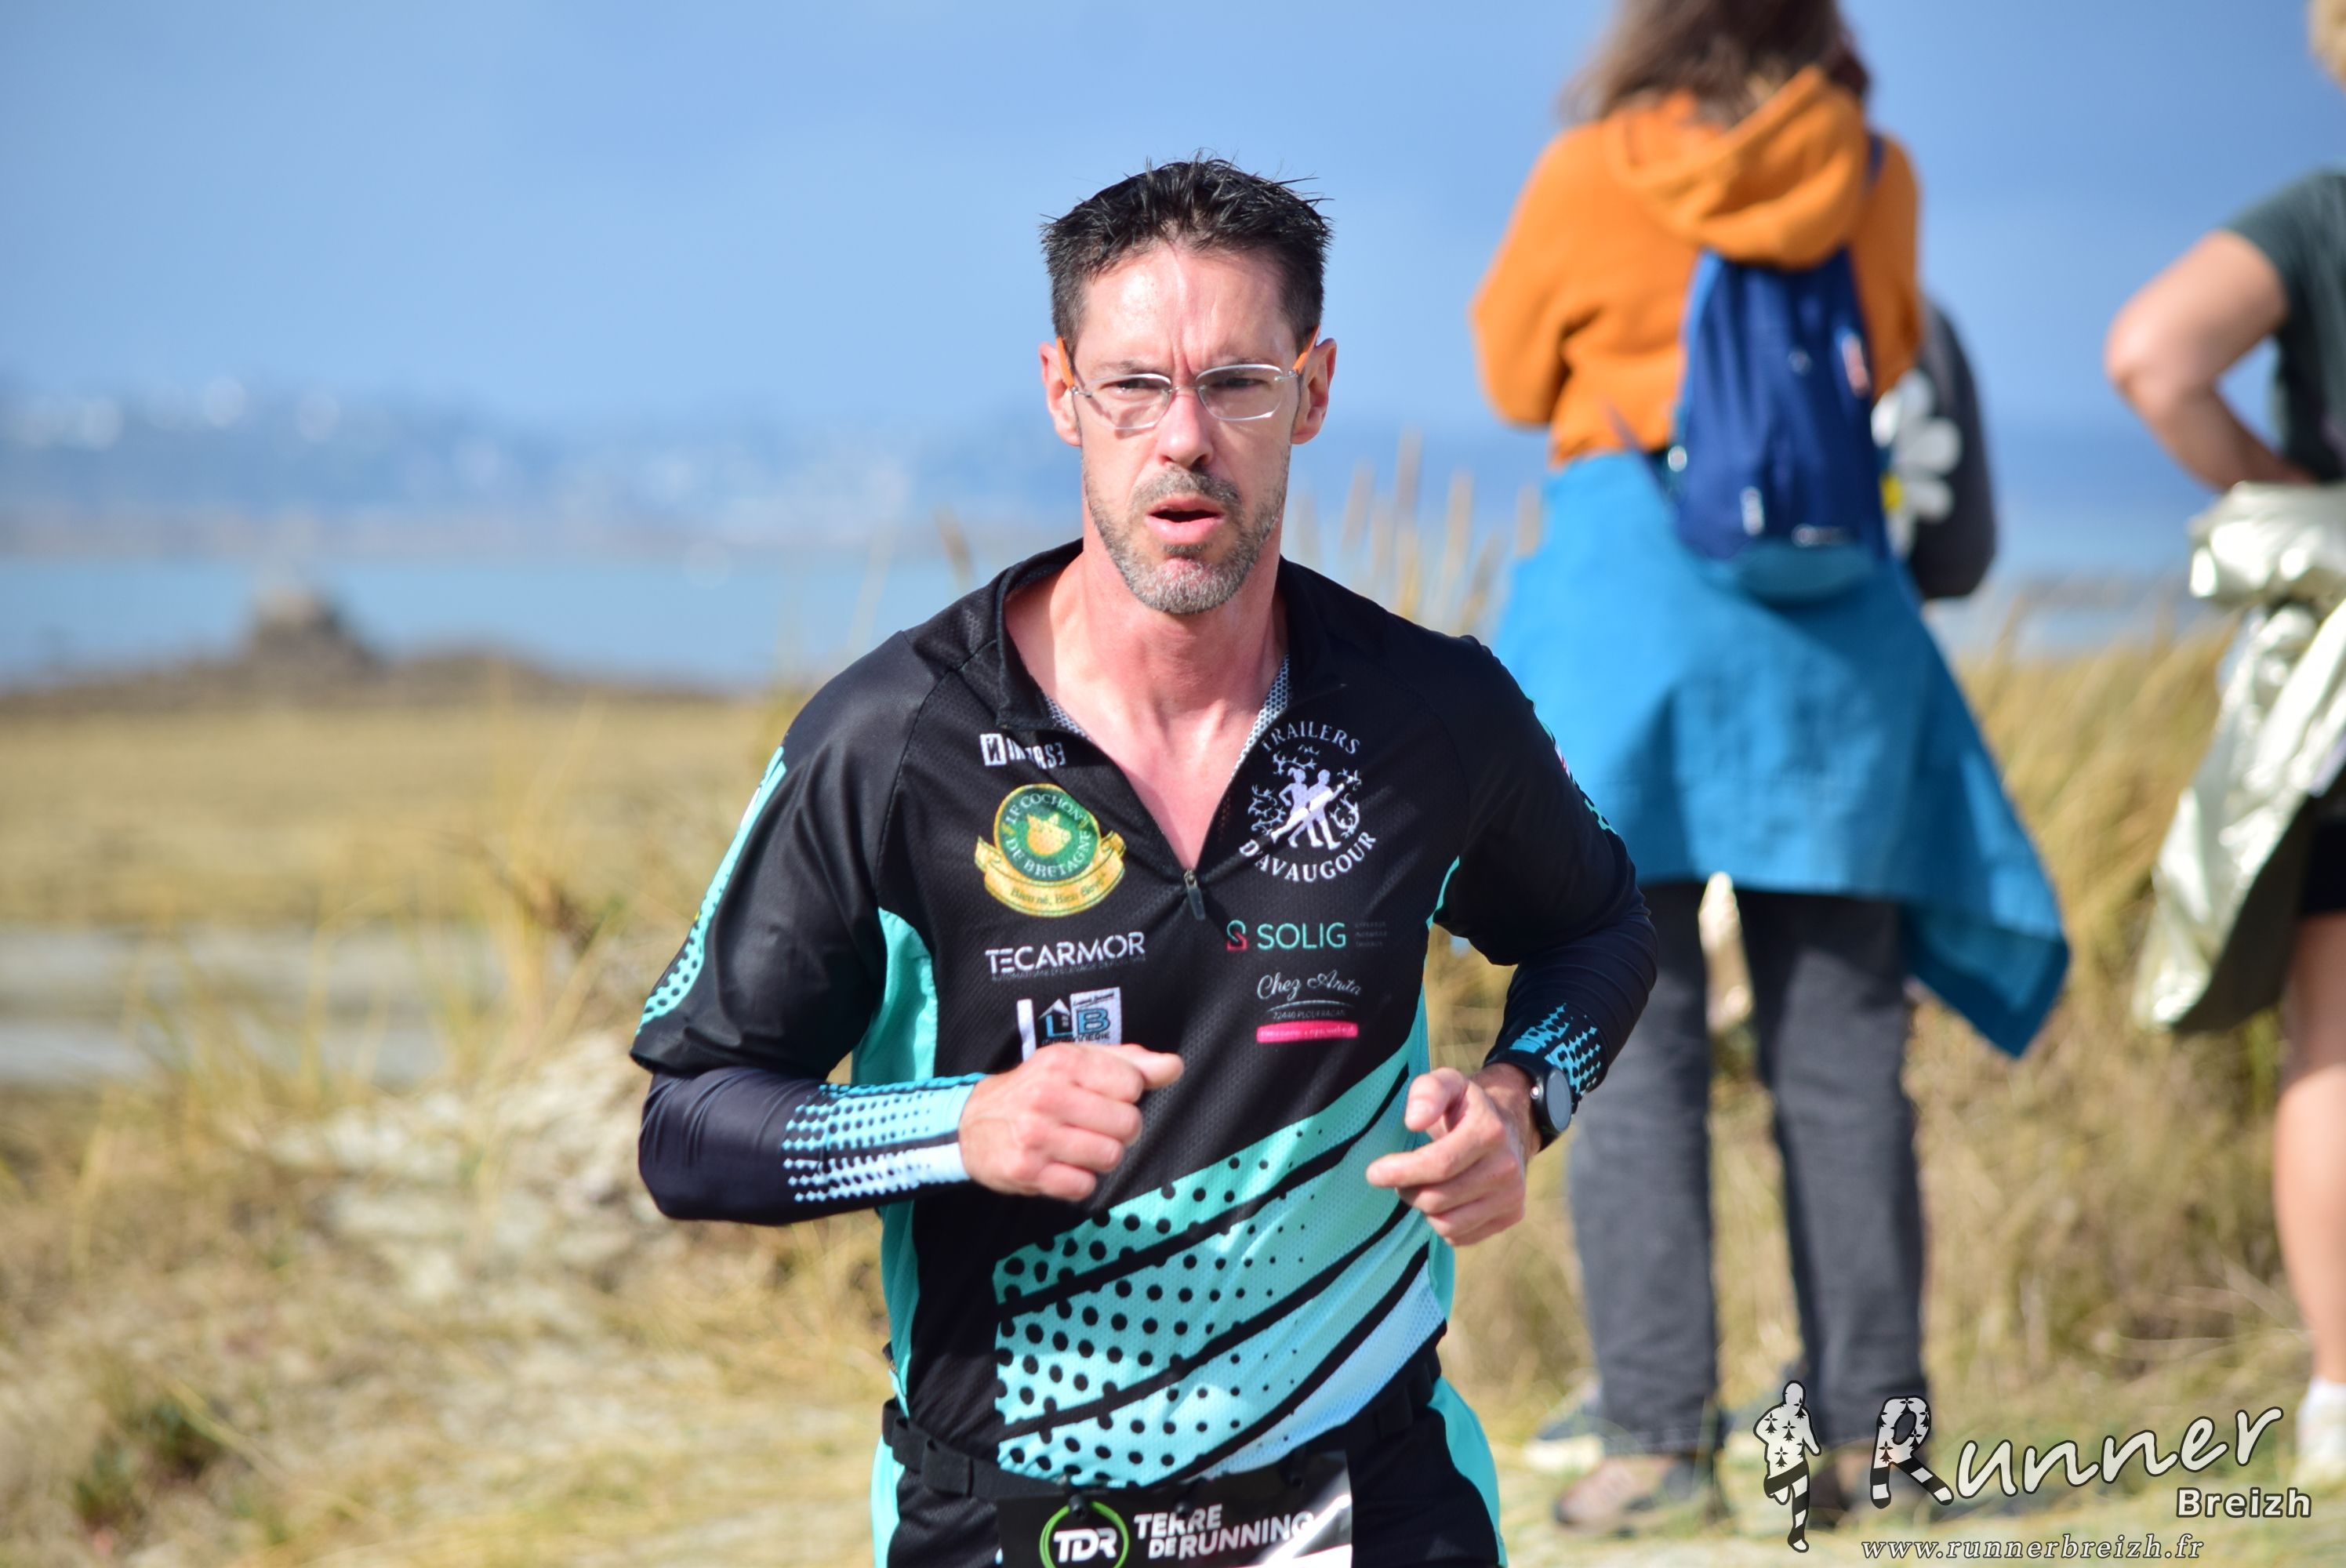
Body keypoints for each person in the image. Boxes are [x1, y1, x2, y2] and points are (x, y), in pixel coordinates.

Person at [630, 159, 1658, 1566]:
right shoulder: (891, 741)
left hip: (1374, 1503)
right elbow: (690, 1128)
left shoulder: (1427, 712)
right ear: (1063, 392)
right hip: (1013, 1519)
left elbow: (1602, 927)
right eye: (1133, 387)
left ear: (1313, 391)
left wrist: (1521, 1100)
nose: (1186, 438)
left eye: (1237, 384)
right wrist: (957, 1129)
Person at [1470, 0, 2069, 1535]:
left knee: (1631, 1036)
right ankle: (1875, 1442)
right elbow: (1887, 354)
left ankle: (1656, 1440)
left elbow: (1513, 374)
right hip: (1829, 635)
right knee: (1843, 1053)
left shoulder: (1590, 166)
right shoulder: (1870, 168)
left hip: (1628, 622)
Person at [2106, 0, 2346, 1491]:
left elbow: (2153, 354)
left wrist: (2302, 508)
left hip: (2344, 683)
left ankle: (2341, 1390)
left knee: (2337, 1035)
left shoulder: (2324, 218)